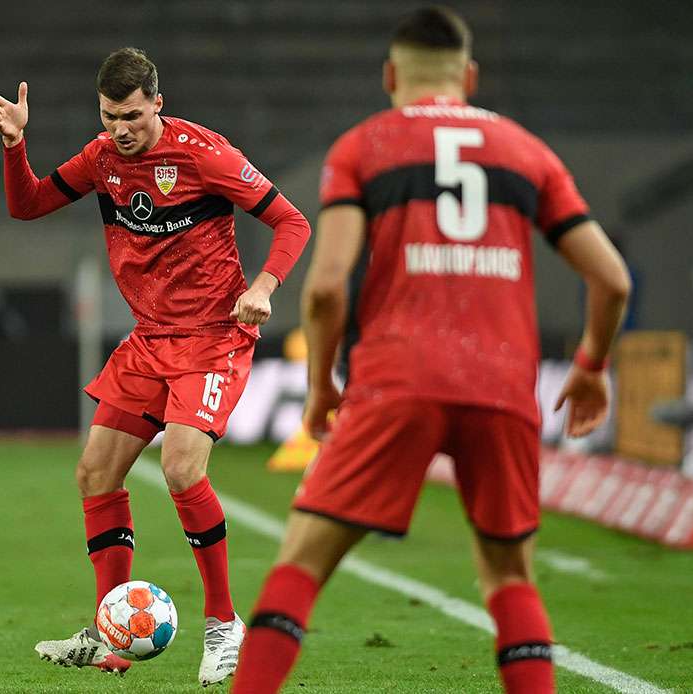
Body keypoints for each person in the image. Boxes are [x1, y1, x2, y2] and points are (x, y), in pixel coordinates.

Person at [231, 7, 631, 693]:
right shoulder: (528, 152)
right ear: (469, 77)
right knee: (510, 576)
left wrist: (324, 384)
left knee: (301, 560)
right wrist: (591, 367)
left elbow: (326, 289)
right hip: (504, 385)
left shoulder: (364, 146)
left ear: (390, 75)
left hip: (397, 379)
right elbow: (611, 278)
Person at [0, 48, 312, 686]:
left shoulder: (203, 154)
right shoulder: (100, 157)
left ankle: (224, 623)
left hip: (213, 337)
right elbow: (26, 205)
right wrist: (15, 145)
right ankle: (113, 634)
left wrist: (266, 286)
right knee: (94, 473)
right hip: (149, 340)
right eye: (110, 117)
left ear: (157, 104)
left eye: (132, 116)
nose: (120, 130)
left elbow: (290, 220)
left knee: (182, 466)